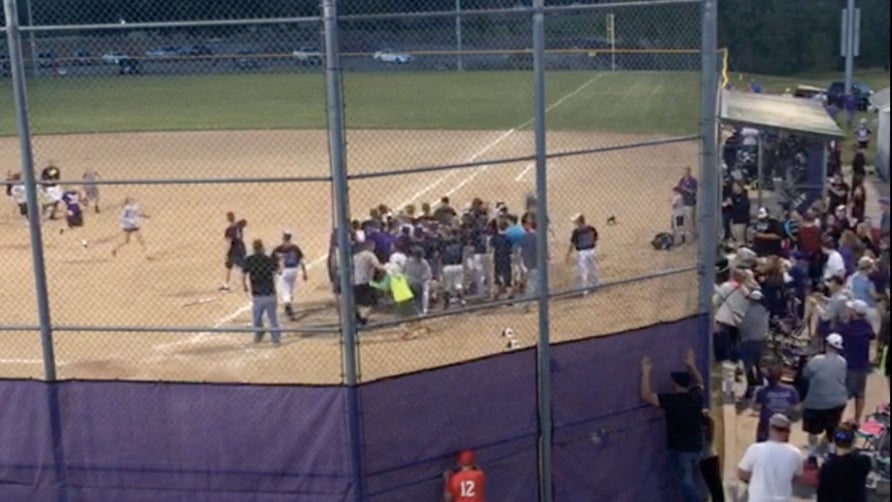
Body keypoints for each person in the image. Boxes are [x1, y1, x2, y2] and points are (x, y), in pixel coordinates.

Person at [640, 349, 705, 502]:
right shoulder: (695, 397)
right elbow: (700, 383)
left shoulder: (673, 401)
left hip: (681, 450)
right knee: (687, 481)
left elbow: (646, 395)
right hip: (696, 447)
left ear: (675, 386)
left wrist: (646, 372)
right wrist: (692, 366)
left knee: (686, 482)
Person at [801, 334, 849, 469]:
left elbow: (805, 375)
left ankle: (812, 456)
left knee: (813, 432)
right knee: (832, 429)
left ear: (826, 345)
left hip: (816, 402)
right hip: (837, 402)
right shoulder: (842, 362)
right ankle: (831, 454)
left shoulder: (816, 360)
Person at [737, 413, 804, 501]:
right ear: (788, 432)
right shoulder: (796, 453)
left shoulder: (755, 449)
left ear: (770, 429)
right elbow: (796, 477)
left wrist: (755, 481)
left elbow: (742, 473)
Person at [839, 299, 876, 424]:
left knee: (844, 396)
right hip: (863, 366)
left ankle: (838, 420)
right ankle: (857, 420)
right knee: (860, 394)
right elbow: (872, 335)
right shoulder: (866, 326)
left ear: (854, 312)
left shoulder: (848, 328)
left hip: (850, 366)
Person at [816, 423, 872, 502]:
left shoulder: (828, 466)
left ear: (835, 442)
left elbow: (822, 494)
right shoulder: (863, 461)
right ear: (853, 441)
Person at [242, 239, 281, 346]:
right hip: (270, 293)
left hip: (257, 294)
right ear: (262, 247)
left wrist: (244, 285)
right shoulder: (268, 259)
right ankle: (276, 340)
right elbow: (279, 271)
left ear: (254, 248)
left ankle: (259, 333)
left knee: (257, 318)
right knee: (272, 318)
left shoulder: (249, 260)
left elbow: (244, 274)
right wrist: (278, 261)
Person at [752, 365, 800, 442]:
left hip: (766, 425)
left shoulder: (761, 391)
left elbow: (756, 408)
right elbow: (796, 408)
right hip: (783, 424)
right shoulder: (791, 390)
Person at [738, 289, 770, 399]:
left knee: (748, 366)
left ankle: (749, 389)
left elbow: (741, 325)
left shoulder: (744, 310)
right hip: (761, 341)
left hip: (747, 341)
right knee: (759, 365)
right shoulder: (765, 311)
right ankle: (761, 387)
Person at [272, 230, 307, 322]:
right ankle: (288, 305)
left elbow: (273, 261)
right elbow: (301, 261)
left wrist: (275, 270)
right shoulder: (295, 248)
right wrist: (304, 273)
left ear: (283, 237)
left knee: (282, 290)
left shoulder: (279, 248)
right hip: (294, 270)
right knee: (289, 288)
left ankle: (288, 307)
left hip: (284, 271)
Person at [352, 240, 386, 325]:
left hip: (356, 281)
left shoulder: (355, 256)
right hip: (367, 282)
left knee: (357, 302)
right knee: (372, 303)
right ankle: (363, 319)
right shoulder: (370, 255)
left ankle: (357, 317)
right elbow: (378, 267)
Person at [566, 213, 599, 295]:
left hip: (582, 252)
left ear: (579, 222)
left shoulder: (576, 232)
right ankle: (595, 284)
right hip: (591, 250)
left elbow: (572, 244)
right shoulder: (591, 228)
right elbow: (596, 238)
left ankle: (584, 289)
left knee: (583, 271)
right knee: (593, 267)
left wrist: (568, 253)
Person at [699, 409, 725, 502]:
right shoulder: (709, 427)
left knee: (713, 487)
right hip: (712, 455)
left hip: (705, 457)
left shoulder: (699, 430)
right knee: (716, 488)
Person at [221, 212, 247, 292]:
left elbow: (229, 242)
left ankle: (226, 285)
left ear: (228, 219)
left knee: (229, 266)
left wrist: (226, 253)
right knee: (243, 267)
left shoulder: (229, 229)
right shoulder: (238, 226)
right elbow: (244, 222)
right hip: (241, 247)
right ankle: (244, 285)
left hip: (233, 249)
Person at [676, 166, 698, 237]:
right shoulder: (682, 180)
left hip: (690, 202)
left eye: (686, 171)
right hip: (683, 201)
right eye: (684, 172)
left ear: (689, 172)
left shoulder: (693, 180)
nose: (684, 173)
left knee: (690, 218)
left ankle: (692, 232)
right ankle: (686, 232)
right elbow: (679, 189)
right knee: (683, 217)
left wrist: (686, 189)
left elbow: (694, 191)